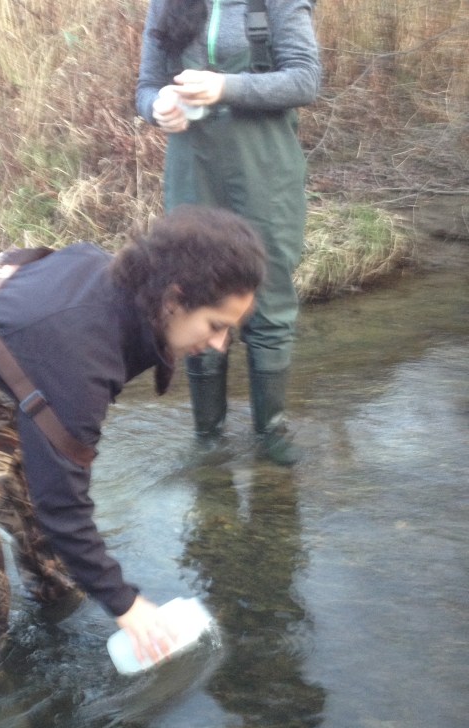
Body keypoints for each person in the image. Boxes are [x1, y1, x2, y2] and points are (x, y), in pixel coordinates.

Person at [0, 205, 266, 678]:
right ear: (174, 300)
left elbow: (53, 500)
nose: (220, 344)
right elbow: (64, 504)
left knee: (47, 551)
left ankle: (56, 622)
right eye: (216, 325)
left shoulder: (129, 288)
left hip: (12, 386)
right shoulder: (81, 355)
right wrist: (126, 605)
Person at [136, 0, 321, 464]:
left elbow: (305, 79)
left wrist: (226, 87)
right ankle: (208, 435)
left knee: (270, 295)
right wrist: (156, 107)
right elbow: (146, 86)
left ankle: (270, 431)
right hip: (191, 169)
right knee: (194, 293)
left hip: (266, 170)